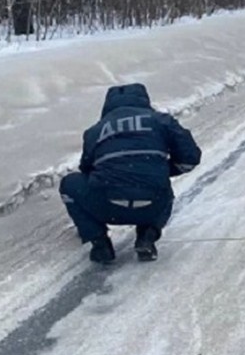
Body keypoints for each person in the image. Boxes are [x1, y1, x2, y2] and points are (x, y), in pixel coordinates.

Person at [59, 83, 201, 264]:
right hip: (152, 205)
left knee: (69, 184)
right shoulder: (161, 121)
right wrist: (161, 170)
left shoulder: (95, 131)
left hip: (107, 206)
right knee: (161, 187)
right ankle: (147, 236)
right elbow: (190, 158)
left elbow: (87, 169)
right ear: (144, 100)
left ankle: (100, 243)